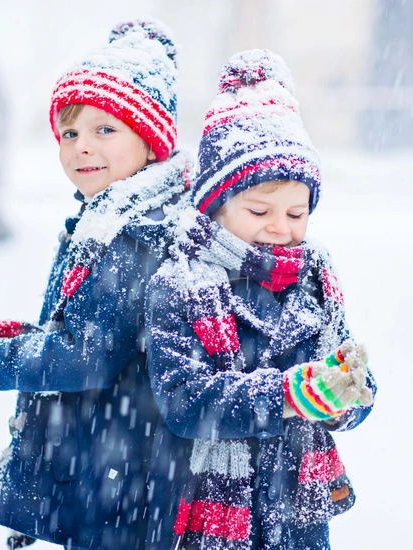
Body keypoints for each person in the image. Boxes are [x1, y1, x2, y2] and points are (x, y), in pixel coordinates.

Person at [0, 19, 192, 550]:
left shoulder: (135, 232)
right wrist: (10, 337)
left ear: (151, 138)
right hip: (114, 461)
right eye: (70, 133)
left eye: (105, 130)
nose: (80, 148)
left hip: (125, 472)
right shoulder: (109, 215)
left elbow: (86, 357)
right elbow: (86, 328)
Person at [143, 49, 376, 550]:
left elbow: (353, 378)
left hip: (298, 510)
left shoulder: (314, 279)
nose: (280, 226)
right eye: (259, 209)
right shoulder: (182, 283)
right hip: (213, 510)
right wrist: (288, 397)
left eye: (297, 213)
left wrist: (346, 393)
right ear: (215, 203)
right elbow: (184, 402)